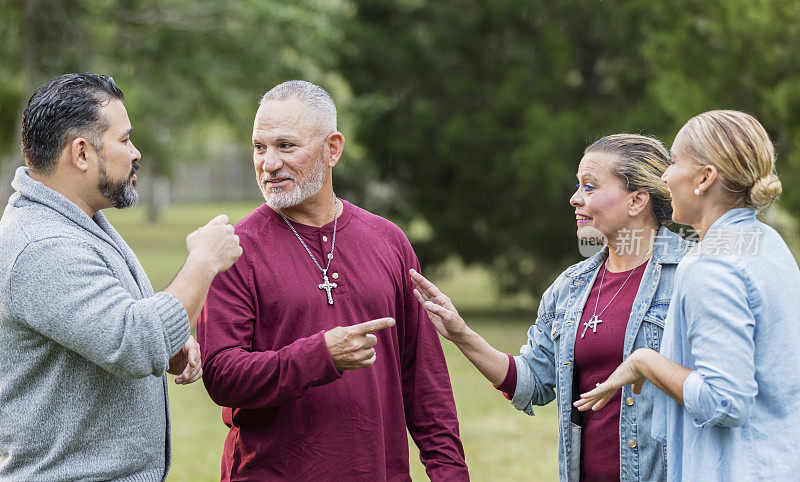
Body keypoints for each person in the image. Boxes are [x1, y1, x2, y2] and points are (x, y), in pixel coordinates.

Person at [196, 80, 468, 481]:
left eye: (285, 146)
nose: (268, 163)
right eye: (259, 147)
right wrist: (319, 356)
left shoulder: (388, 240)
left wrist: (451, 474)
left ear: (332, 148)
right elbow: (222, 375)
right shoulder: (236, 250)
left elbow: (426, 383)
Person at [0, 73, 242, 481]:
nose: (136, 152)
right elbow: (134, 341)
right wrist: (203, 262)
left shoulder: (77, 223)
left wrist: (168, 341)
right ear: (81, 153)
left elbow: (114, 327)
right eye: (124, 139)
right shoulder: (42, 246)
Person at [411, 134, 690, 482]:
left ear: (637, 200)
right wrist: (462, 335)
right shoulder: (570, 287)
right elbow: (533, 382)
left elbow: (716, 393)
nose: (575, 199)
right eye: (578, 186)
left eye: (590, 187)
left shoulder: (693, 275)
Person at [576, 111, 800, 481]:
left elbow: (725, 401)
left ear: (704, 178)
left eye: (676, 162)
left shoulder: (710, 265)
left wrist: (644, 362)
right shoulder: (767, 243)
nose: (664, 175)